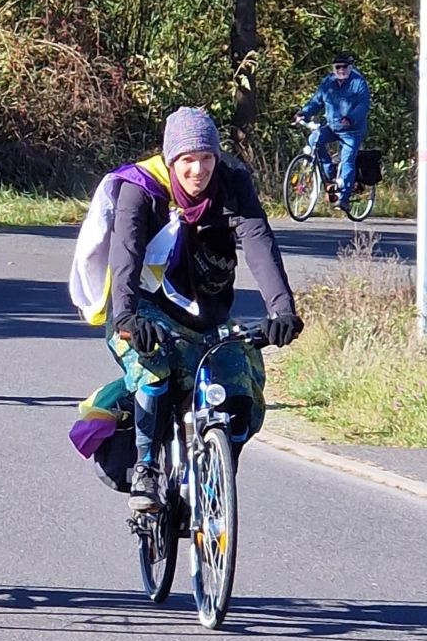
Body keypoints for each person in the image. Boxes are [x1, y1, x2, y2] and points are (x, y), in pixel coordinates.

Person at [69, 106, 304, 513]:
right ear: (171, 160)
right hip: (143, 311)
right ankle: (146, 469)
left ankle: (215, 479)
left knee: (242, 388)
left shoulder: (232, 182)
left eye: (207, 157)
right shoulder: (141, 188)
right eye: (188, 160)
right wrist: (127, 317)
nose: (199, 170)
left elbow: (258, 240)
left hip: (207, 316)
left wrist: (282, 310)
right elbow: (125, 255)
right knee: (154, 368)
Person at [294, 51, 370, 213]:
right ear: (333, 68)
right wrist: (303, 113)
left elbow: (363, 105)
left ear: (350, 67)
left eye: (344, 67)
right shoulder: (328, 82)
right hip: (332, 126)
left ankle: (344, 198)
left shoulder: (358, 83)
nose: (341, 70)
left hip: (352, 130)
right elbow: (317, 101)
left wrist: (351, 118)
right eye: (338, 67)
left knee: (347, 160)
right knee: (314, 140)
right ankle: (330, 175)